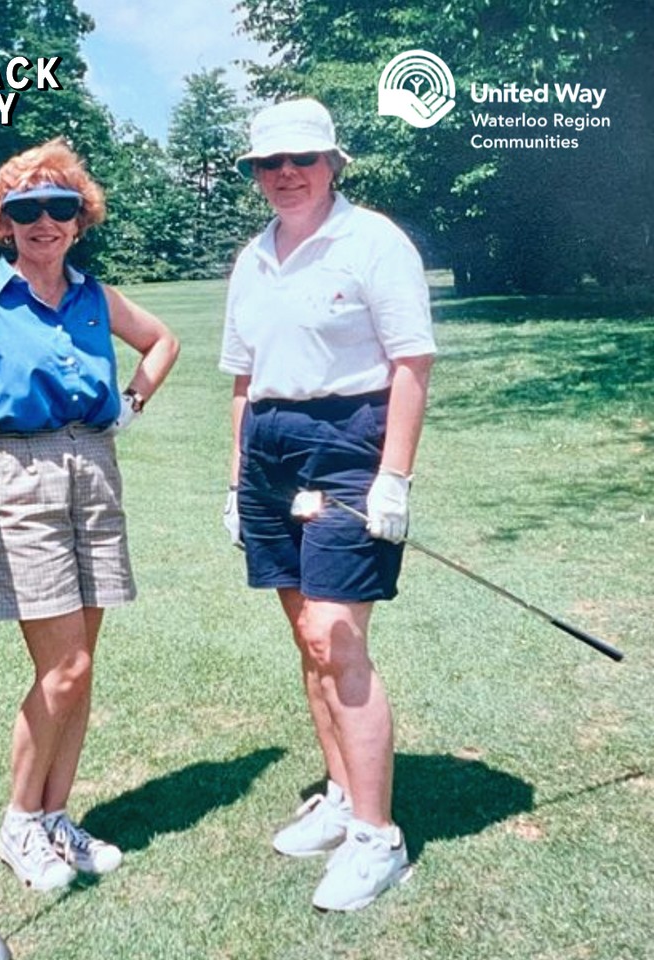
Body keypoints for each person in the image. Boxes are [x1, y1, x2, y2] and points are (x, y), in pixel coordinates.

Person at [0, 138, 179, 892]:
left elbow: (163, 342)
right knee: (62, 669)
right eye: (25, 208)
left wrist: (129, 405)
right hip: (19, 479)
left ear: (79, 218)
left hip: (94, 469)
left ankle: (56, 819)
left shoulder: (95, 296)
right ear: (4, 221)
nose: (44, 220)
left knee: (80, 674)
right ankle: (19, 824)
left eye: (60, 207)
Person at [220, 98, 436, 912]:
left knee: (335, 636)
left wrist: (394, 478)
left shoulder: (375, 241)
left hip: (350, 437)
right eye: (268, 165)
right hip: (271, 446)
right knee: (306, 639)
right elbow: (245, 382)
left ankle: (379, 838)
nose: (285, 176)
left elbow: (411, 363)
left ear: (333, 164)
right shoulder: (253, 257)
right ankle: (344, 799)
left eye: (301, 161)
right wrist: (235, 479)